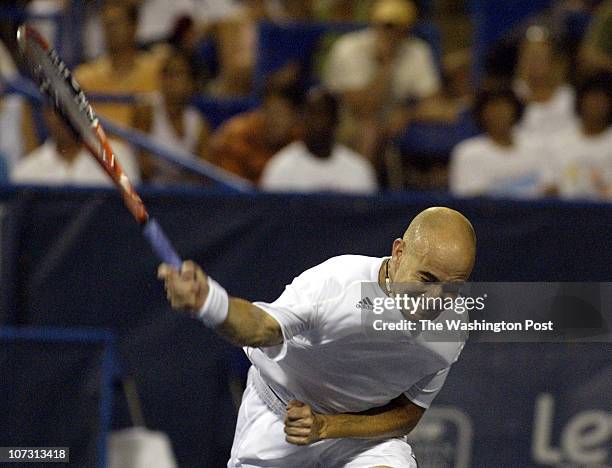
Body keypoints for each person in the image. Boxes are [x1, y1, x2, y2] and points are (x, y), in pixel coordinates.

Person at [158, 206, 476, 468]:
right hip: (280, 420)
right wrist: (209, 303)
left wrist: (328, 426)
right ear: (398, 253)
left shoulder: (450, 327)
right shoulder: (336, 284)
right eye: (426, 278)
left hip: (361, 441)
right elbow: (261, 327)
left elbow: (407, 414)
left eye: (453, 287)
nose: (436, 298)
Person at [322, 0, 440, 159]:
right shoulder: (349, 48)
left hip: (392, 115)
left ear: (407, 29)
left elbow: (433, 103)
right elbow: (364, 109)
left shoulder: (417, 50)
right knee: (368, 130)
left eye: (397, 27)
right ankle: (362, 183)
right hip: (342, 117)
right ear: (374, 24)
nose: (390, 33)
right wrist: (386, 65)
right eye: (386, 26)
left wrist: (407, 114)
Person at [260, 89, 377, 193]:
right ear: (302, 120)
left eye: (324, 114)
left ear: (336, 121)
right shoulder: (281, 168)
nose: (317, 122)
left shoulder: (358, 170)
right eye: (312, 114)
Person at [75, 2, 164, 128]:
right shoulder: (84, 75)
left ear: (134, 25)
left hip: (146, 143)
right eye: (106, 24)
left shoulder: (157, 69)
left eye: (117, 23)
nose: (111, 30)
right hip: (100, 143)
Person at [449, 86, 548, 198]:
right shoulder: (467, 153)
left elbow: (551, 189)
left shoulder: (538, 148)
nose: (499, 113)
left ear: (515, 110)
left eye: (504, 106)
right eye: (492, 107)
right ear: (482, 113)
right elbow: (469, 200)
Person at [11, 107, 140, 186]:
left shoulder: (117, 157)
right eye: (58, 110)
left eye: (72, 108)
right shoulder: (26, 172)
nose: (65, 118)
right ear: (46, 115)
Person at [136, 52, 211, 185]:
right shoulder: (147, 111)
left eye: (179, 74)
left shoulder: (197, 123)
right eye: (168, 75)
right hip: (151, 194)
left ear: (192, 83)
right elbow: (143, 168)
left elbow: (205, 175)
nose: (171, 81)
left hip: (184, 196)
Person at [207, 83, 303, 183]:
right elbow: (228, 189)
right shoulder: (236, 136)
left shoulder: (300, 140)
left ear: (296, 117)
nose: (275, 120)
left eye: (282, 115)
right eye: (270, 111)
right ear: (261, 110)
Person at [545, 73, 612, 200]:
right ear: (581, 101)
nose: (597, 105)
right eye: (593, 98)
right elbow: (549, 188)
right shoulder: (557, 143)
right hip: (567, 215)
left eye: (603, 100)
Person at [513, 26, 578, 141]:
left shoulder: (569, 96)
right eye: (530, 57)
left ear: (554, 61)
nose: (534, 64)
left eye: (540, 58)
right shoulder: (512, 96)